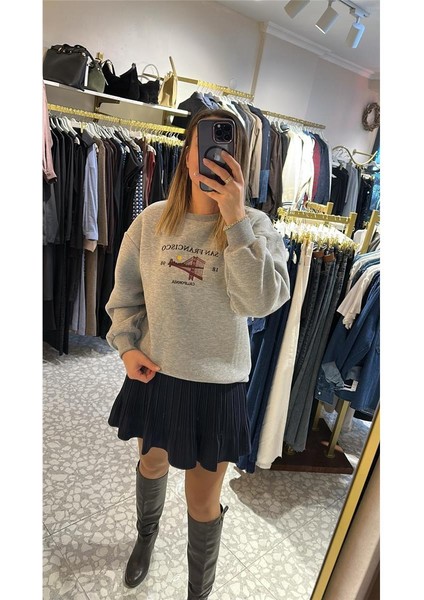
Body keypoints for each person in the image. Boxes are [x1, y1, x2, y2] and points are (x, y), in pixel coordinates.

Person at [105, 108, 290, 599]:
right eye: (204, 143)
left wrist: (235, 219)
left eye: (227, 146)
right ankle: (145, 537)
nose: (213, 154)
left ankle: (197, 591)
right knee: (151, 465)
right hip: (156, 373)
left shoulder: (257, 227)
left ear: (240, 160)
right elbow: (125, 297)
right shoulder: (150, 222)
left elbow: (260, 302)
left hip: (218, 386)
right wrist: (126, 348)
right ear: (187, 153)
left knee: (203, 502)